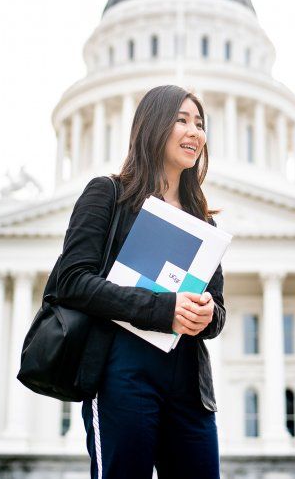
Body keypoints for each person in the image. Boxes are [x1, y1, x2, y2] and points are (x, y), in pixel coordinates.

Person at [54, 85, 224, 479]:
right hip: (121, 373)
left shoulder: (204, 222)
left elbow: (217, 310)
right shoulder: (108, 196)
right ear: (153, 126)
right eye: (181, 120)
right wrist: (164, 309)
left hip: (188, 384)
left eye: (199, 123)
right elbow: (72, 281)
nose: (194, 132)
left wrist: (207, 313)